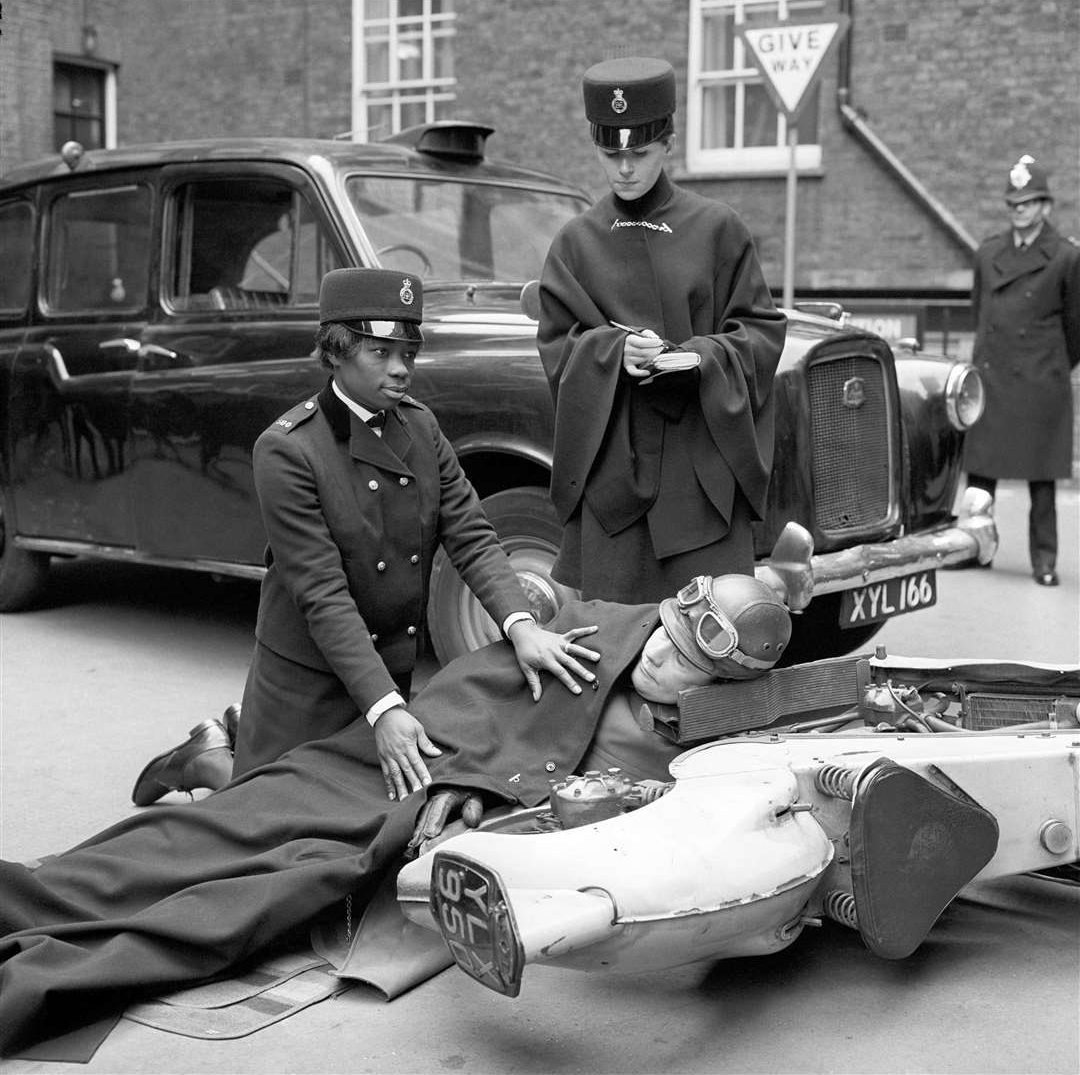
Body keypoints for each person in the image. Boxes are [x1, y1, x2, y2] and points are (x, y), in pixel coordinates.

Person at [0, 574, 792, 1055]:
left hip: (441, 824)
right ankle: (61, 877)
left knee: (265, 894)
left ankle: (213, 756)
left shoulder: (709, 740)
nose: (657, 656)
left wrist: (483, 804)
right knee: (225, 833)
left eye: (684, 662)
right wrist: (525, 633)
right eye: (664, 635)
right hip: (403, 765)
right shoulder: (599, 630)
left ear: (716, 686)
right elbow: (491, 666)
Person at [133, 268, 600, 807]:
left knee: (365, 825)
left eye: (409, 353)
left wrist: (520, 625)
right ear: (336, 353)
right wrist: (384, 708)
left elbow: (471, 535)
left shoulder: (421, 428)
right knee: (261, 823)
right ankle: (207, 758)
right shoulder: (287, 450)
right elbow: (322, 594)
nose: (401, 370)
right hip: (307, 684)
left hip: (387, 676)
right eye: (380, 353)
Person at [538, 56, 787, 605]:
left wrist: (700, 357)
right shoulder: (576, 242)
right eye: (610, 153)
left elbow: (761, 332)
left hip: (701, 479)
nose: (624, 168)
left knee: (713, 643)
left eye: (640, 153)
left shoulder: (717, 228)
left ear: (668, 143)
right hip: (615, 484)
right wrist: (609, 352)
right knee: (616, 649)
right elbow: (557, 346)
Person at [961, 154, 1080, 587]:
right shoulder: (988, 253)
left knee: (1042, 477)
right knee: (982, 474)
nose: (1019, 210)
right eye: (1014, 203)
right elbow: (980, 312)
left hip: (1040, 379)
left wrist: (1051, 366)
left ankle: (1044, 560)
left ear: (1045, 206)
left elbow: (1076, 325)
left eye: (1028, 202)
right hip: (994, 376)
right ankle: (976, 547)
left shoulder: (1066, 257)